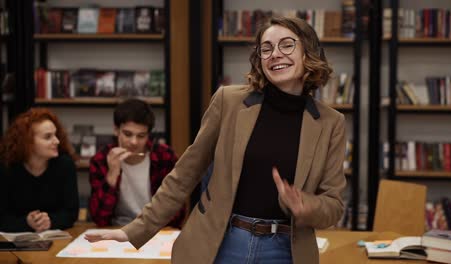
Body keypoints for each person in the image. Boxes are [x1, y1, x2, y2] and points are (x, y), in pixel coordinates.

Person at [85, 16, 346, 264]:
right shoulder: (229, 101)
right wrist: (134, 230)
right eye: (266, 49)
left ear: (308, 52)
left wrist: (305, 206)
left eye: (287, 45)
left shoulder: (330, 123)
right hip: (222, 243)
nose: (275, 53)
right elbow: (185, 173)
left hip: (285, 250)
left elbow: (333, 205)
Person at [88, 98, 185, 227]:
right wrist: (112, 175)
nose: (134, 142)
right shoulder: (100, 160)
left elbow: (178, 212)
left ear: (148, 135)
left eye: (141, 136)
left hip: (155, 229)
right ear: (116, 130)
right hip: (117, 229)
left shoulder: (164, 156)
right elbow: (99, 218)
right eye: (128, 134)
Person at [0, 108, 79, 232]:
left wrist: (50, 221)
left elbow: (71, 214)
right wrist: (26, 222)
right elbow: (3, 218)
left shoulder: (65, 165)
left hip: (56, 239)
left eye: (56, 135)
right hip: (15, 244)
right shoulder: (7, 168)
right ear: (27, 142)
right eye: (48, 137)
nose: (57, 141)